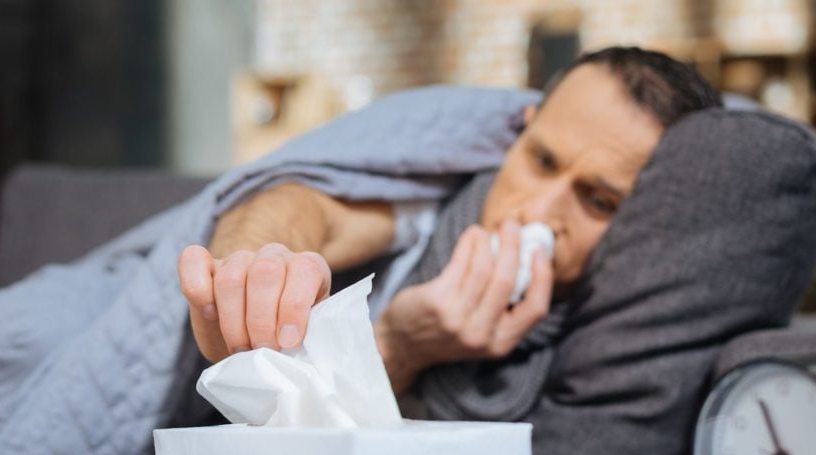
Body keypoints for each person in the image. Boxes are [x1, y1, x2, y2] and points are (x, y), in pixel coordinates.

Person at [177, 47, 722, 396]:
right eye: (542, 161)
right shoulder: (441, 205)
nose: (537, 212)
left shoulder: (631, 328)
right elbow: (305, 205)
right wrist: (254, 264)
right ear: (519, 133)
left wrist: (403, 346)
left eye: (598, 201)